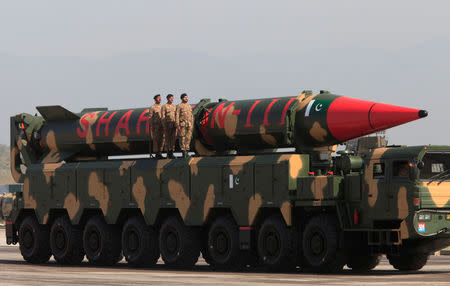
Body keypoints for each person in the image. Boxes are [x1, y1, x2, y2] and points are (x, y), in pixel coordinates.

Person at [176, 93, 194, 158]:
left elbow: (191, 116)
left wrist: (192, 124)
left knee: (188, 138)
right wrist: (177, 124)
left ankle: (187, 151)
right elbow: (177, 115)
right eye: (185, 97)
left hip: (189, 125)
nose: (186, 98)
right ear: (182, 98)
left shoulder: (189, 106)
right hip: (182, 124)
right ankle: (183, 152)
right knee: (182, 138)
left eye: (187, 97)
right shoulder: (179, 106)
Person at [149, 94, 164, 159]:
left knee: (162, 139)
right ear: (155, 99)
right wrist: (152, 126)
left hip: (162, 126)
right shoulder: (152, 107)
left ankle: (160, 152)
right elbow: (150, 118)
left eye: (160, 98)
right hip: (156, 126)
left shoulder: (162, 107)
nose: (160, 99)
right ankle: (156, 153)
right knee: (156, 140)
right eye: (158, 98)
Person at [162, 94, 177, 158]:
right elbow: (163, 116)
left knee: (173, 139)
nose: (172, 99)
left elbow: (176, 115)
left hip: (173, 125)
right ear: (168, 99)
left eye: (172, 98)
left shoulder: (174, 106)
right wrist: (164, 125)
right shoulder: (164, 106)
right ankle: (168, 152)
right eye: (171, 98)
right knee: (167, 139)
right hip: (167, 125)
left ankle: (172, 152)